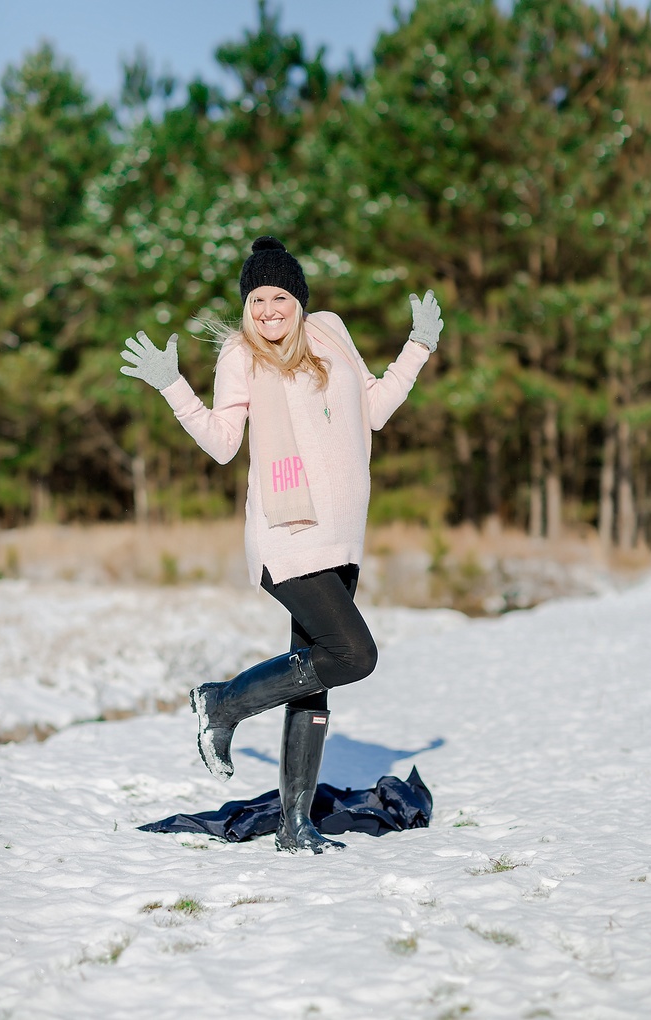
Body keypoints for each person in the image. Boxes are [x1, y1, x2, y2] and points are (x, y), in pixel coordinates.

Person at [120, 236, 443, 854]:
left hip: (341, 535)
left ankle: (295, 825)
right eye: (256, 299)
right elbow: (221, 442)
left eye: (278, 296)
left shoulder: (330, 332)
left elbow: (373, 408)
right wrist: (172, 386)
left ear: (298, 298)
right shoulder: (242, 355)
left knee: (311, 678)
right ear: (246, 306)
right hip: (287, 535)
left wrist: (418, 347)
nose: (267, 310)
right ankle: (223, 703)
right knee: (353, 654)